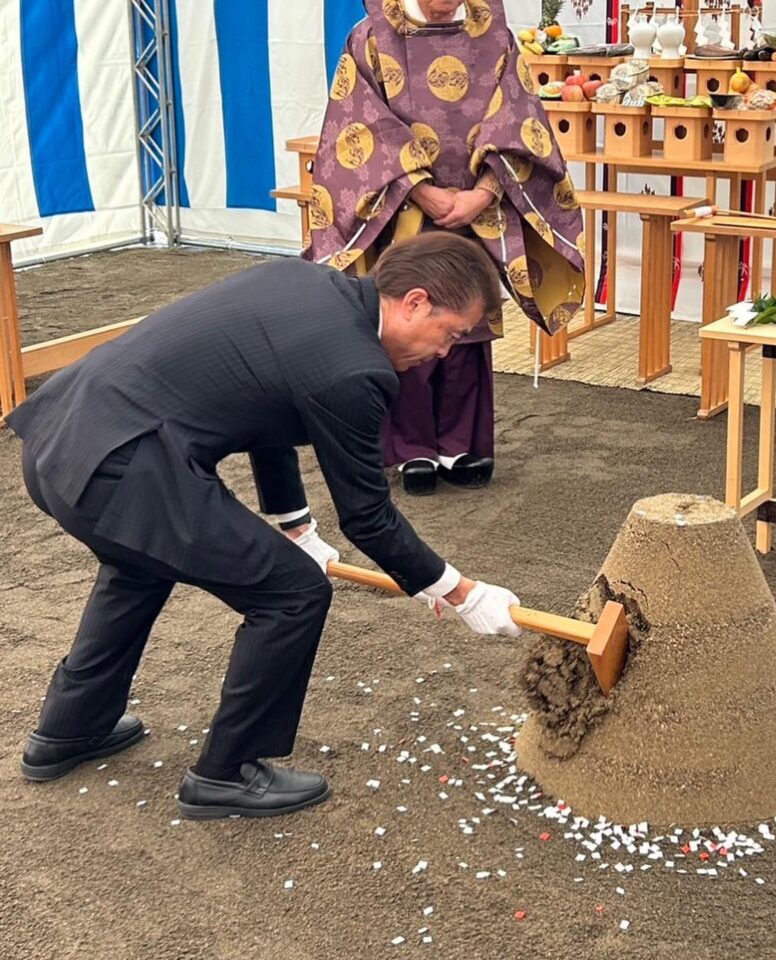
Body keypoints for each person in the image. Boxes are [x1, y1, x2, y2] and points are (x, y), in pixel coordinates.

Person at [6, 233, 523, 821]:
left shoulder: (303, 284)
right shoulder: (355, 369)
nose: (446, 353)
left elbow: (267, 411)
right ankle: (227, 773)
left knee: (141, 561)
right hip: (121, 468)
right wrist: (460, 592)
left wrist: (296, 527)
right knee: (293, 594)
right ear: (415, 301)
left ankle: (71, 728)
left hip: (60, 442)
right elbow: (368, 518)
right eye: (451, 334)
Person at [307, 0, 585, 496]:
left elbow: (521, 119)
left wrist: (484, 192)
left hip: (478, 203)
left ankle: (462, 443)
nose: (444, 6)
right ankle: (411, 447)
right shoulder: (372, 37)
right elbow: (358, 124)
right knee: (408, 321)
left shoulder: (494, 35)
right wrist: (419, 188)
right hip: (403, 206)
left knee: (467, 325)